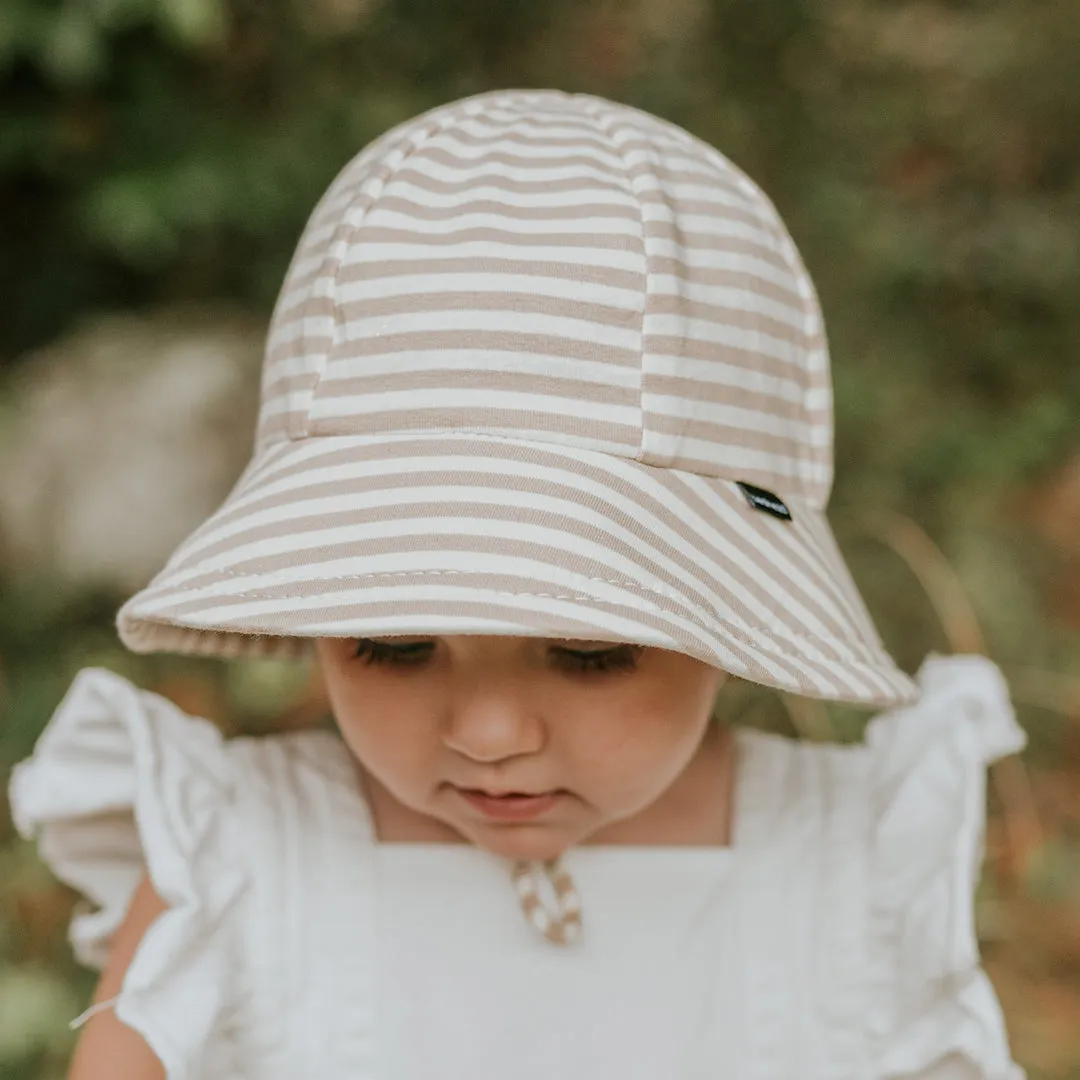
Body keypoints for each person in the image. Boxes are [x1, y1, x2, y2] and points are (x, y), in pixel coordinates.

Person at [8, 88, 1026, 1080]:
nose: (488, 734)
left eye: (589, 650)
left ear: (728, 621)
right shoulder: (233, 864)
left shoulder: (853, 872)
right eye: (396, 645)